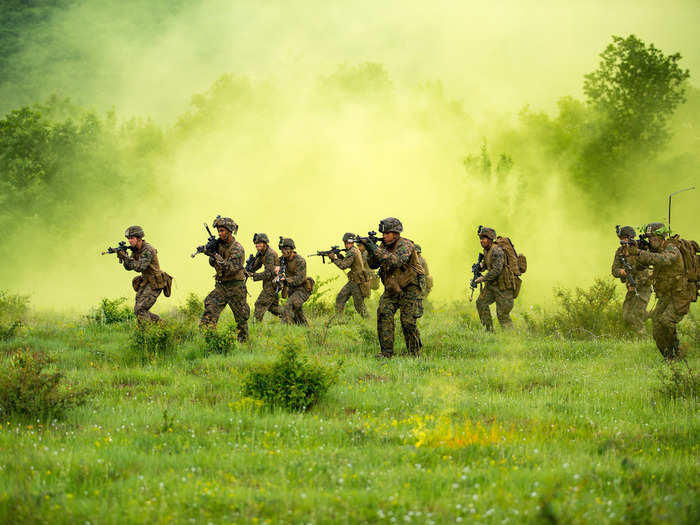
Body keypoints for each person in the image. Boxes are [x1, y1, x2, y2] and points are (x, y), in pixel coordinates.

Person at [361, 217, 424, 357]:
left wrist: (375, 249)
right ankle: (386, 353)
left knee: (407, 322)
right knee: (384, 313)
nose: (384, 236)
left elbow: (395, 261)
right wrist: (370, 250)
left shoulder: (406, 245)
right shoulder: (383, 246)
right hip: (392, 287)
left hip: (410, 286)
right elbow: (372, 264)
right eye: (383, 234)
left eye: (387, 233)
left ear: (396, 233)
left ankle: (414, 354)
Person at [631, 222, 694, 359]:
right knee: (657, 328)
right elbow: (639, 267)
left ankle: (676, 353)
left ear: (661, 236)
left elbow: (665, 260)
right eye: (649, 238)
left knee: (666, 321)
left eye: (654, 237)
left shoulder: (671, 248)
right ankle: (669, 358)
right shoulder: (654, 252)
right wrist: (638, 254)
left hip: (680, 293)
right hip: (666, 294)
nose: (651, 240)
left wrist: (641, 253)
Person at [199, 216, 249, 342]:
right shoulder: (219, 245)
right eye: (219, 231)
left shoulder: (237, 248)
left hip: (235, 287)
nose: (220, 233)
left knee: (241, 319)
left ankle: (244, 344)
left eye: (222, 230)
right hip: (221, 286)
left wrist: (214, 254)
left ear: (229, 231)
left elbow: (231, 268)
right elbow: (213, 263)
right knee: (210, 308)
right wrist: (210, 252)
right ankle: (209, 340)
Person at [117, 225, 171, 324]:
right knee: (138, 310)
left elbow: (140, 267)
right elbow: (128, 268)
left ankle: (152, 330)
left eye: (132, 238)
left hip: (155, 282)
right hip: (146, 281)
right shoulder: (136, 250)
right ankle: (161, 325)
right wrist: (125, 257)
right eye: (128, 238)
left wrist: (127, 258)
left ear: (139, 238)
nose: (130, 241)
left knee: (140, 309)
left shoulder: (148, 249)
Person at [473, 226, 517, 331]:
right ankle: (489, 331)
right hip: (492, 286)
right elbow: (488, 264)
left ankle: (511, 339)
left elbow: (496, 270)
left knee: (502, 315)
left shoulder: (497, 251)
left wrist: (483, 279)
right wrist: (480, 267)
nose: (481, 241)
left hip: (504, 287)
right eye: (480, 238)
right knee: (481, 303)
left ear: (490, 239)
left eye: (483, 238)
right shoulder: (486, 251)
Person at [611, 225, 652, 335]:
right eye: (621, 238)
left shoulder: (641, 249)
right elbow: (614, 270)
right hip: (631, 288)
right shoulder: (620, 252)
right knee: (626, 315)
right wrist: (622, 272)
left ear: (631, 238)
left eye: (625, 238)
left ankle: (644, 337)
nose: (623, 241)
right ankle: (652, 315)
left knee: (636, 314)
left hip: (644, 286)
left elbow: (647, 267)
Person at [328, 233, 370, 318]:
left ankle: (368, 320)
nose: (346, 244)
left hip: (357, 282)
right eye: (345, 243)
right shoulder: (354, 250)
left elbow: (344, 265)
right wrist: (339, 256)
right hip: (353, 281)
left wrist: (334, 259)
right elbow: (348, 262)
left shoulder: (352, 252)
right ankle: (338, 319)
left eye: (346, 242)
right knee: (340, 298)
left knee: (359, 306)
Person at [278, 237, 313, 326]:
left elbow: (299, 279)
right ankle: (305, 330)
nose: (283, 251)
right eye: (282, 249)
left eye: (286, 249)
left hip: (303, 288)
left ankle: (284, 330)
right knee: (298, 312)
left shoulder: (300, 261)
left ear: (292, 249)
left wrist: (286, 280)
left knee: (289, 306)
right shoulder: (282, 260)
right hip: (292, 289)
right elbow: (272, 268)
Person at [247, 233, 282, 322]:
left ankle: (255, 325)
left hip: (273, 284)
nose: (257, 245)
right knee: (273, 307)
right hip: (270, 283)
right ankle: (290, 315)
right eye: (256, 243)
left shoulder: (270, 254)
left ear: (265, 243)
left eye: (259, 243)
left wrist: (254, 275)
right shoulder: (262, 253)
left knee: (260, 304)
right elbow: (257, 265)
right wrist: (248, 270)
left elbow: (268, 273)